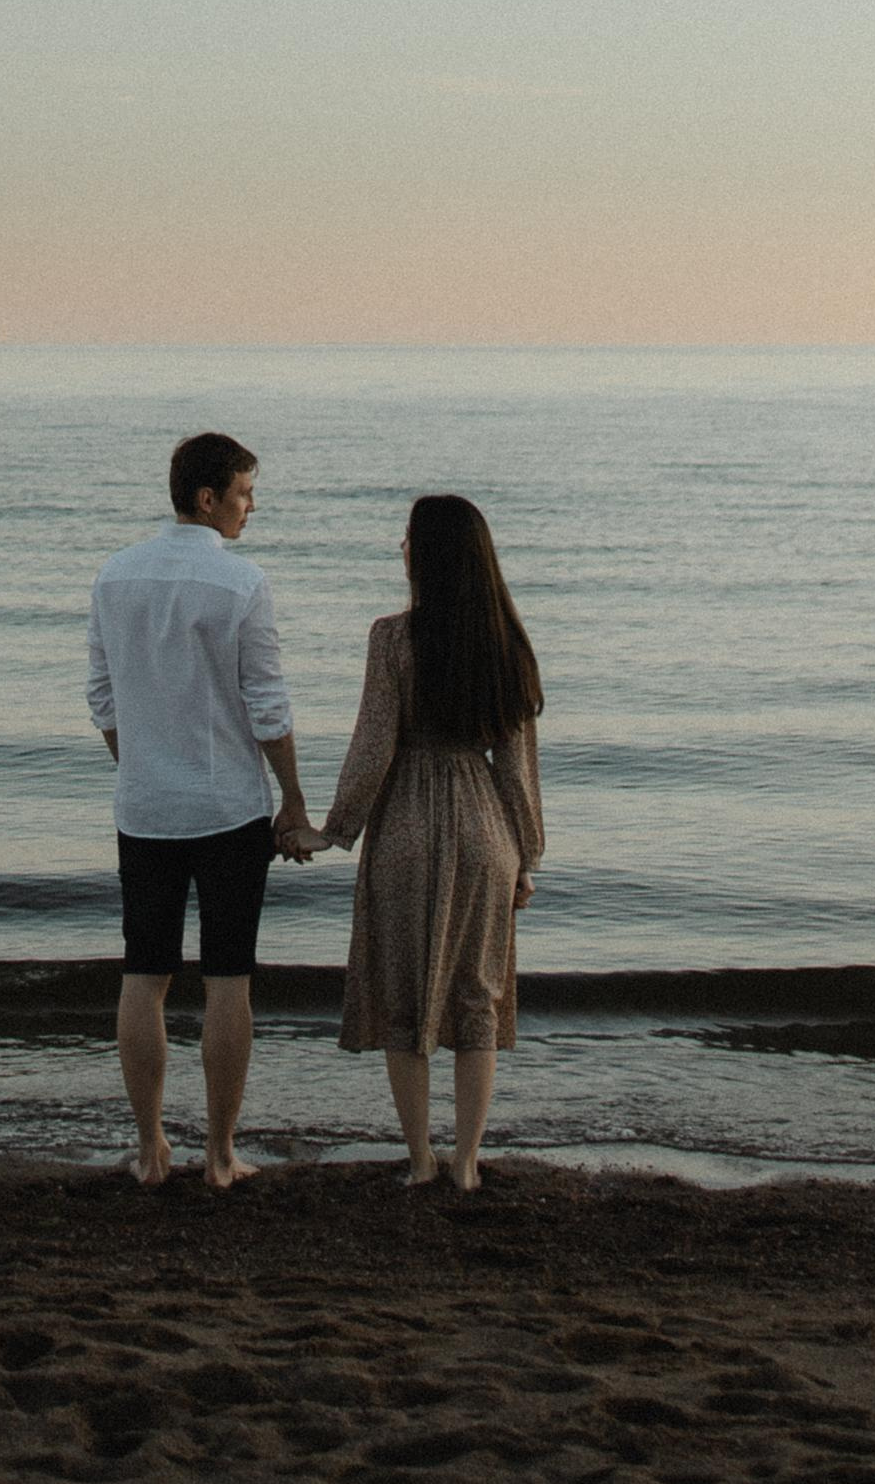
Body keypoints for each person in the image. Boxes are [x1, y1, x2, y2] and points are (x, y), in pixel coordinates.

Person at [86, 430, 316, 1187]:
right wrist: (292, 797)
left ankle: (151, 1149)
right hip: (227, 809)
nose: (252, 508)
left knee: (142, 975)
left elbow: (102, 697)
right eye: (244, 493)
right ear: (207, 497)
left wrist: (142, 766)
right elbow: (268, 708)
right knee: (227, 980)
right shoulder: (242, 584)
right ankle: (219, 1155)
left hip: (145, 807)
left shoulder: (114, 577)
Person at [306, 492, 543, 1190]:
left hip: (406, 822)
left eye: (406, 538)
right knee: (478, 998)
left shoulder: (391, 639)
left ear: (425, 555)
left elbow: (374, 744)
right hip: (483, 830)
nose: (400, 549)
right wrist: (524, 856)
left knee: (405, 998)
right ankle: (467, 1163)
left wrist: (333, 827)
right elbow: (517, 766)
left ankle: (418, 1161)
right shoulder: (507, 643)